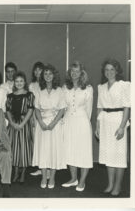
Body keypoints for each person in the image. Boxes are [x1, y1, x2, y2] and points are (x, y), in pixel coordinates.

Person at [95, 59, 130, 196]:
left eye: (112, 69)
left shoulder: (124, 85)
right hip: (105, 122)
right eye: (106, 70)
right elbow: (99, 108)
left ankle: (118, 185)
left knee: (119, 155)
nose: (109, 72)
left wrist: (122, 126)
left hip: (118, 122)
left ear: (117, 71)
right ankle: (110, 184)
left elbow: (127, 107)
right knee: (109, 155)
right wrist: (97, 126)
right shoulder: (101, 87)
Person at [33, 64, 66, 189]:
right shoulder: (39, 91)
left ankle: (52, 178)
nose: (48, 76)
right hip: (41, 125)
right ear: (43, 76)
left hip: (55, 124)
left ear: (54, 75)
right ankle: (43, 177)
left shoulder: (59, 91)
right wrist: (41, 122)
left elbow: (62, 109)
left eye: (50, 74)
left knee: (53, 150)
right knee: (43, 151)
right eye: (45, 74)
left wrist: (53, 124)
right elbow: (36, 109)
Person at [61, 61, 93, 192]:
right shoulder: (65, 88)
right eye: (72, 71)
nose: (74, 73)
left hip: (82, 122)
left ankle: (82, 181)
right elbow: (63, 107)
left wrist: (85, 123)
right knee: (70, 150)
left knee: (84, 151)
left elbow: (89, 110)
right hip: (68, 121)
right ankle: (73, 178)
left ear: (82, 73)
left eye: (77, 71)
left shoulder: (88, 88)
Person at [6, 71, 34, 184]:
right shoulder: (10, 96)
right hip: (13, 123)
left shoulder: (29, 95)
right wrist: (12, 123)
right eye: (16, 81)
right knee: (13, 148)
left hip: (24, 123)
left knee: (24, 148)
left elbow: (30, 110)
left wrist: (22, 124)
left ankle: (23, 172)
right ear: (14, 83)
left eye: (21, 81)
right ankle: (16, 171)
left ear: (25, 82)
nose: (19, 83)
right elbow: (7, 111)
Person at [28, 61, 46, 177]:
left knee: (46, 143)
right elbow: (30, 103)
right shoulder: (31, 85)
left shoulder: (48, 84)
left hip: (46, 116)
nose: (37, 72)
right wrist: (32, 118)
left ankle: (48, 170)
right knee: (37, 143)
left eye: (39, 69)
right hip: (35, 115)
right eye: (36, 70)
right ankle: (41, 167)